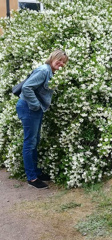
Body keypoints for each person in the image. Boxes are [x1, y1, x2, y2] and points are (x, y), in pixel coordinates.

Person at [16, 49, 68, 189]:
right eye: (59, 60)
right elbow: (26, 88)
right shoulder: (44, 71)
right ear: (52, 58)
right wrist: (36, 105)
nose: (61, 63)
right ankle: (32, 178)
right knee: (29, 142)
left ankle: (36, 173)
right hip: (28, 108)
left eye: (64, 62)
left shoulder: (51, 72)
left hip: (34, 109)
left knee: (34, 141)